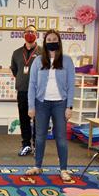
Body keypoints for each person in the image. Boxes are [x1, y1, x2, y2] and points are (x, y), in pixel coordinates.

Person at [26, 29, 75, 181]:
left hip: (61, 104)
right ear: (45, 42)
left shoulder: (67, 61)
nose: (52, 42)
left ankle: (63, 169)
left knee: (61, 137)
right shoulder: (38, 61)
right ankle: (37, 166)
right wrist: (31, 106)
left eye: (54, 39)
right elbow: (32, 85)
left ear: (59, 42)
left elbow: (71, 85)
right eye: (49, 40)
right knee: (40, 137)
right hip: (41, 104)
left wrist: (69, 106)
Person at [11, 25, 42, 156]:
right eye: (27, 32)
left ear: (37, 34)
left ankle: (37, 146)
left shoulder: (43, 52)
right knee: (24, 119)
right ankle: (26, 145)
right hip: (23, 90)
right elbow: (14, 70)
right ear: (23, 35)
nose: (30, 34)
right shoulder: (17, 53)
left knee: (38, 120)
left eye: (32, 32)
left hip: (39, 92)